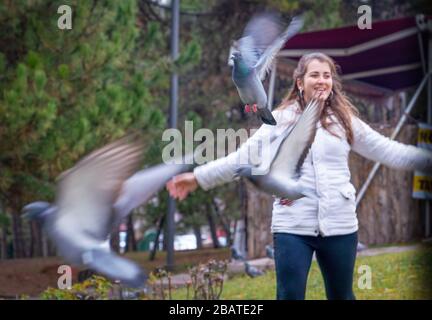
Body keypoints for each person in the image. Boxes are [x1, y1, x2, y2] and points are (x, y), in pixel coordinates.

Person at [165, 52, 432, 300]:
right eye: (314, 75)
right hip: (292, 226)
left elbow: (389, 150)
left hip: (340, 225)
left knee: (342, 296)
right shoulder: (279, 119)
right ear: (300, 81)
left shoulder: (345, 121)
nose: (322, 80)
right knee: (290, 295)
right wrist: (198, 177)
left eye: (326, 75)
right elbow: (242, 158)